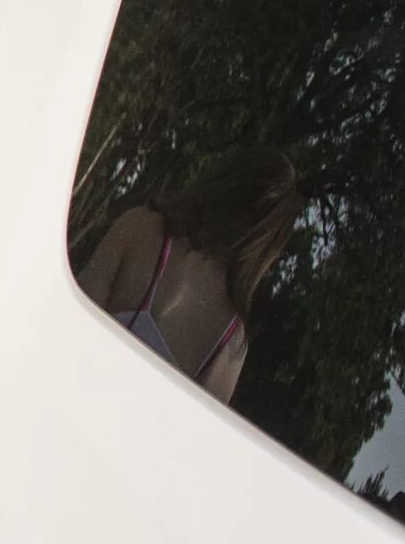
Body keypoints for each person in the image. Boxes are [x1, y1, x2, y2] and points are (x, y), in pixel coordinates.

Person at [74, 147, 303, 406]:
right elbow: (190, 440)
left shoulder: (141, 228)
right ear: (266, 242)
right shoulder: (230, 344)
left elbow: (70, 323)